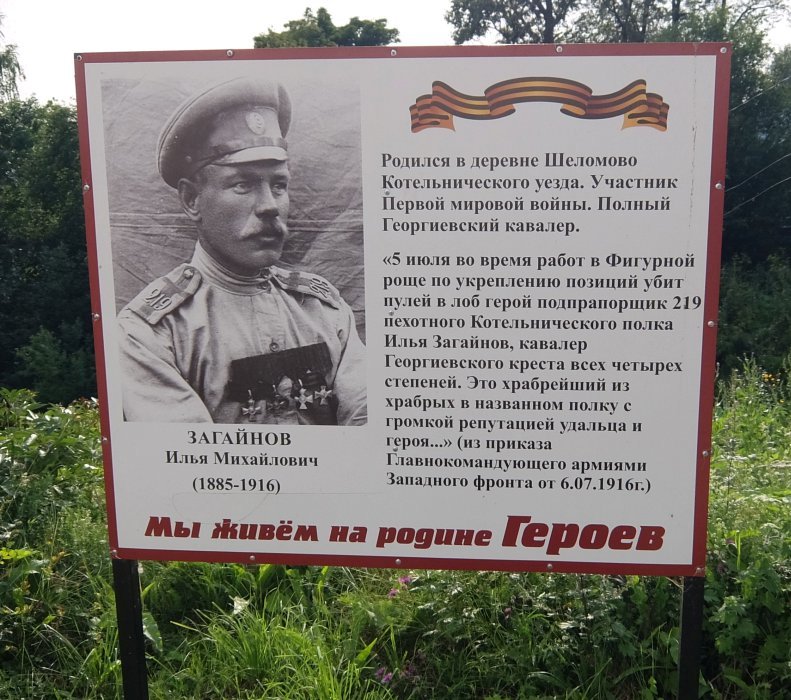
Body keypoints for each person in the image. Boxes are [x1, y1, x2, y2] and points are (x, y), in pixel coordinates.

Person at [117, 77, 367, 425]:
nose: (269, 206)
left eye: (279, 184)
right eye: (243, 184)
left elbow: (370, 422)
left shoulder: (324, 309)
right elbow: (189, 455)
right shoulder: (151, 333)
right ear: (192, 199)